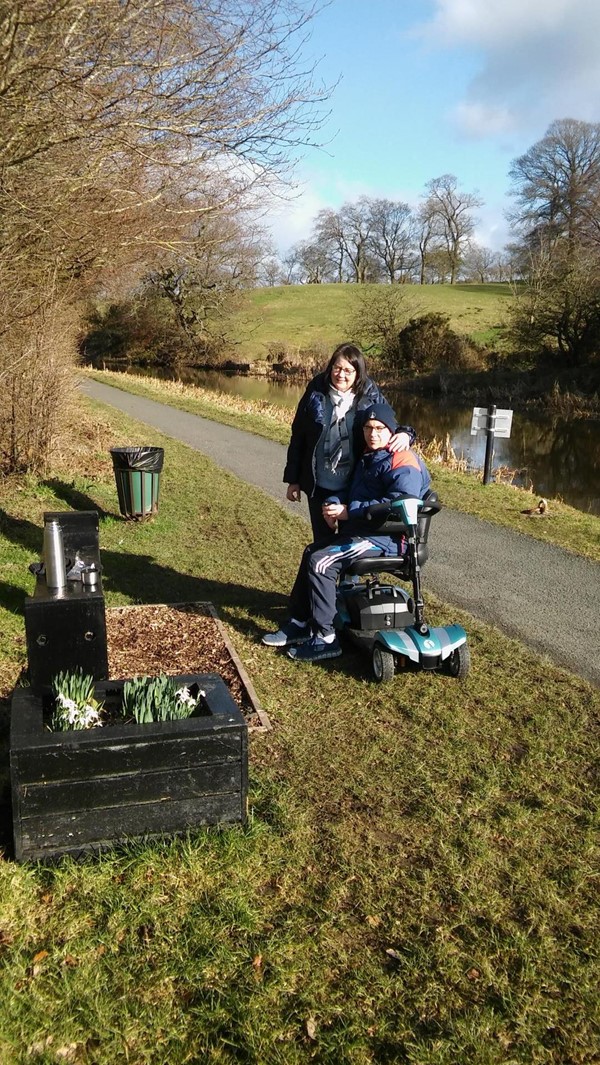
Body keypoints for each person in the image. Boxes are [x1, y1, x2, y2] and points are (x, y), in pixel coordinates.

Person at [263, 400, 431, 663]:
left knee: (321, 562)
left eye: (379, 428)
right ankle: (301, 622)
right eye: (368, 427)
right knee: (313, 551)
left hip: (389, 538)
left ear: (392, 431)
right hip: (366, 533)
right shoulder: (370, 455)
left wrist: (348, 511)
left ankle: (325, 639)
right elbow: (356, 491)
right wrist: (333, 504)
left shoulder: (403, 460)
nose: (372, 433)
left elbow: (401, 507)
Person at [283, 343, 416, 542]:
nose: (341, 375)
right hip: (318, 485)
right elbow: (299, 435)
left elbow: (388, 423)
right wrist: (293, 479)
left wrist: (406, 434)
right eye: (337, 368)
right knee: (322, 543)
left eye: (348, 370)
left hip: (354, 485)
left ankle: (348, 574)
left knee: (349, 545)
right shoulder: (316, 391)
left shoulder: (369, 393)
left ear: (358, 372)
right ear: (330, 368)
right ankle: (321, 573)